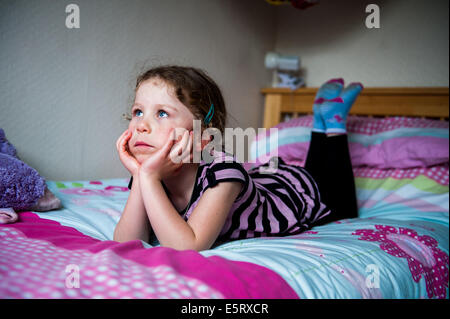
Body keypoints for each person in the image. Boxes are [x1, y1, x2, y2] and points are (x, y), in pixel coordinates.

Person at [114, 65, 362, 251]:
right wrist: (141, 175)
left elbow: (187, 247)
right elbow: (126, 243)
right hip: (263, 182)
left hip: (291, 194)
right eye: (138, 111)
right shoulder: (151, 175)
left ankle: (331, 124)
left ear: (202, 137)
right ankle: (323, 118)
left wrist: (146, 176)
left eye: (162, 114)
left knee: (340, 203)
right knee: (316, 174)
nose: (141, 125)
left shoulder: (224, 174)